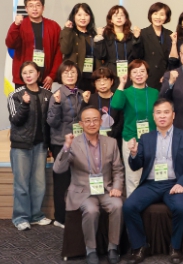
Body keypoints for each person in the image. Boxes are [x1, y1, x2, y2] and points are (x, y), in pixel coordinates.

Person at [123, 99, 183, 264]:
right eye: (158, 113)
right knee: (129, 206)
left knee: (182, 207)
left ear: (173, 115)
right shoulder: (146, 138)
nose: (162, 116)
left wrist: (182, 183)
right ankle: (140, 246)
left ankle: (176, 247)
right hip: (151, 184)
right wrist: (134, 153)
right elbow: (135, 166)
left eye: (166, 112)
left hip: (175, 183)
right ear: (154, 116)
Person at [53, 107, 124, 264]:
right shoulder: (73, 143)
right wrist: (66, 147)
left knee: (118, 205)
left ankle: (113, 247)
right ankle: (90, 249)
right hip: (82, 191)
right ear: (81, 124)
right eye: (88, 120)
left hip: (105, 189)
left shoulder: (111, 142)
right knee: (91, 210)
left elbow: (118, 169)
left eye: (95, 120)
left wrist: (117, 187)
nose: (92, 124)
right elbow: (58, 169)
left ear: (101, 121)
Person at [8, 61, 53, 231]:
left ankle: (36, 215)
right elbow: (16, 120)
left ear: (38, 74)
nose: (28, 75)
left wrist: (49, 145)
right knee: (21, 184)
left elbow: (49, 123)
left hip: (40, 146)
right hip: (21, 146)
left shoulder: (48, 94)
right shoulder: (15, 95)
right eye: (24, 73)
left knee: (39, 184)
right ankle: (20, 217)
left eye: (31, 72)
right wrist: (25, 104)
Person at [47, 60, 91, 227]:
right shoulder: (57, 95)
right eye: (66, 72)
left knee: (78, 180)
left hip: (79, 143)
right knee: (62, 181)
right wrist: (57, 104)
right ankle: (60, 218)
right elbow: (52, 122)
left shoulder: (81, 94)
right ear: (61, 75)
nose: (70, 75)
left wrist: (85, 102)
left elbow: (83, 119)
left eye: (73, 72)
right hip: (61, 143)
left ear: (77, 74)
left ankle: (75, 214)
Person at [112, 60, 160, 196]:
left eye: (142, 71)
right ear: (130, 75)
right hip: (131, 139)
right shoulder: (126, 92)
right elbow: (115, 105)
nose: (139, 74)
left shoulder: (154, 92)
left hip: (152, 140)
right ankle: (133, 206)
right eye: (135, 72)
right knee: (133, 178)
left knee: (152, 176)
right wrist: (122, 83)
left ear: (147, 74)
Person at [5, 0, 62, 90]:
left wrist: (52, 75)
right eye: (31, 6)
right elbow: (11, 43)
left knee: (44, 100)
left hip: (45, 79)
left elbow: (58, 53)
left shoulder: (53, 26)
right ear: (26, 9)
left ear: (43, 8)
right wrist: (16, 25)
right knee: (23, 100)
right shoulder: (19, 25)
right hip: (23, 79)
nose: (34, 9)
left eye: (38, 5)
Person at [94, 5, 142, 89]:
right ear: (111, 20)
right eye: (116, 15)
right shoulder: (105, 35)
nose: (119, 18)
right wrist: (99, 37)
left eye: (122, 15)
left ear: (126, 19)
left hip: (129, 72)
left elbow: (137, 55)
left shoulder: (131, 36)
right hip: (110, 72)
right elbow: (101, 55)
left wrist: (137, 39)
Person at [60, 3, 98, 92]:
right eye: (79, 15)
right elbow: (65, 50)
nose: (83, 18)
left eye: (86, 15)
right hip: (74, 77)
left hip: (90, 78)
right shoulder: (69, 32)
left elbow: (98, 58)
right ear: (74, 17)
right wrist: (67, 30)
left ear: (90, 17)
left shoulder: (93, 35)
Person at [136, 2, 173, 90]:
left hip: (165, 77)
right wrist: (136, 39)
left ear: (166, 17)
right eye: (155, 14)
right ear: (150, 15)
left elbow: (172, 59)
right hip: (148, 77)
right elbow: (137, 56)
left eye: (162, 14)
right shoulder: (143, 33)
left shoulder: (170, 34)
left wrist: (167, 74)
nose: (158, 17)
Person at [88, 67, 124, 149]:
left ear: (112, 81)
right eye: (98, 80)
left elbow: (121, 120)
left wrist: (112, 133)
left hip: (115, 141)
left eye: (105, 80)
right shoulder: (90, 99)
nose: (102, 83)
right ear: (94, 83)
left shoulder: (118, 98)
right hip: (94, 141)